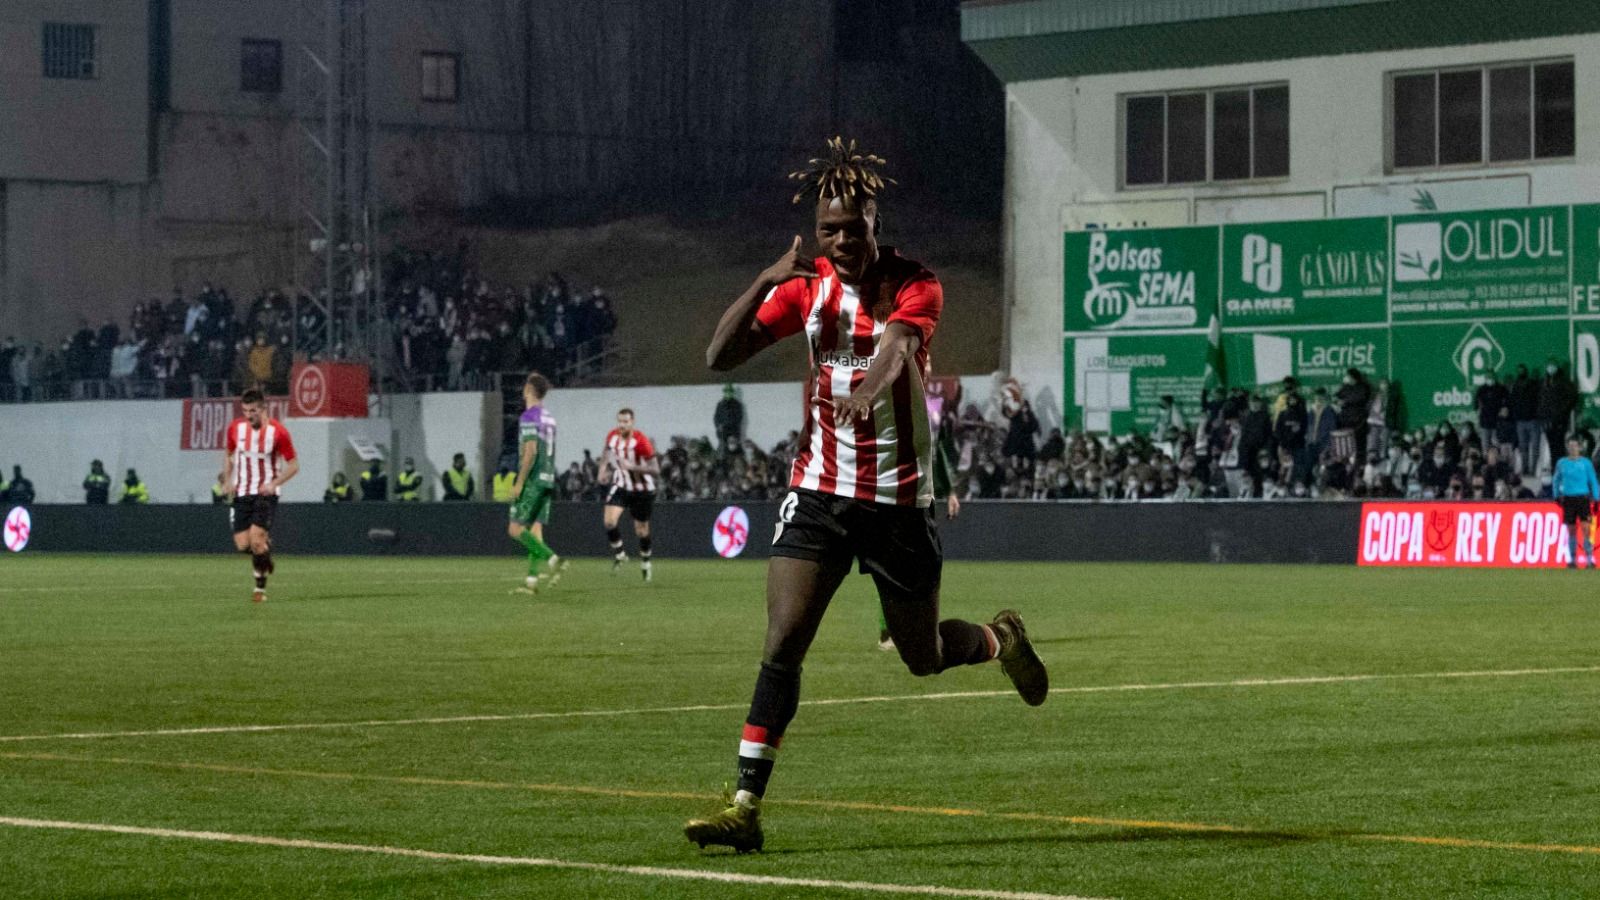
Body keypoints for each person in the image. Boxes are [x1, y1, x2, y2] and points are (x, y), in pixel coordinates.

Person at [684, 137, 1048, 854]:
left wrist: (866, 393)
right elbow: (718, 355)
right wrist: (763, 281)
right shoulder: (804, 288)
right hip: (819, 490)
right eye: (831, 230)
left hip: (895, 498)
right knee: (783, 641)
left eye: (855, 227)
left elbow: (896, 349)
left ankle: (1000, 639)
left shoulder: (916, 283)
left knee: (922, 656)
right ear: (816, 232)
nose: (844, 240)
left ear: (876, 222)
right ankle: (744, 808)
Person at [222, 388, 299, 602]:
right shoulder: (235, 428)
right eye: (245, 411)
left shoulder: (278, 433)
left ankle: (259, 590)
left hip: (265, 493)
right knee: (243, 545)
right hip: (242, 492)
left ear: (263, 408)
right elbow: (228, 455)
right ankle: (265, 552)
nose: (249, 415)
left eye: (253, 411)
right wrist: (227, 480)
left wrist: (274, 483)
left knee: (256, 540)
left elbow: (294, 465)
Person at [507, 372, 567, 593]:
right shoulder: (549, 418)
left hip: (533, 479)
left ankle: (553, 559)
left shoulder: (529, 416)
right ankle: (531, 582)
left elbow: (530, 452)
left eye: (526, 385)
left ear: (529, 390)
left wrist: (519, 482)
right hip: (547, 478)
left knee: (515, 528)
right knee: (535, 529)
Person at [598, 408, 660, 582]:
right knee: (609, 522)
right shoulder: (612, 436)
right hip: (621, 485)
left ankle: (646, 562)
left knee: (641, 531)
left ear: (632, 422)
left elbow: (656, 469)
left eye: (625, 422)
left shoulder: (641, 441)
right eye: (620, 421)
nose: (622, 425)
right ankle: (620, 554)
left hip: (642, 490)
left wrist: (632, 467)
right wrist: (602, 470)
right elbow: (606, 452)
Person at [1553, 435, 1599, 569]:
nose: (1572, 448)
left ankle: (1589, 560)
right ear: (1567, 447)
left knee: (1586, 529)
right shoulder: (1562, 463)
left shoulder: (1586, 463)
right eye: (1570, 446)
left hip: (1583, 499)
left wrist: (1596, 498)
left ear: (1579, 448)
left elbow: (1593, 481)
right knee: (1571, 530)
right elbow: (1556, 479)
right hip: (1568, 499)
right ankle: (1572, 560)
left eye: (1575, 446)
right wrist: (1556, 495)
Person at [714, 384, 745, 456]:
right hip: (723, 430)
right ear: (724, 392)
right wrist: (718, 426)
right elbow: (716, 417)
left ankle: (735, 458)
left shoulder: (737, 404)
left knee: (734, 447)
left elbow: (739, 417)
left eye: (730, 392)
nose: (728, 393)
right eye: (727, 392)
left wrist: (735, 427)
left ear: (732, 393)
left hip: (734, 429)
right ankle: (721, 459)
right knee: (722, 446)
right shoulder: (720, 404)